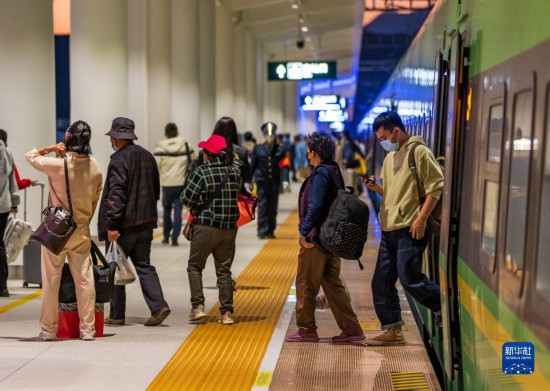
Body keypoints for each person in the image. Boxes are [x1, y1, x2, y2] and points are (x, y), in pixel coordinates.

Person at [363, 111, 443, 346]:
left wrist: (421, 219)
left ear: (396, 131)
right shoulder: (390, 158)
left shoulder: (419, 152)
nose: (382, 142)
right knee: (381, 282)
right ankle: (392, 330)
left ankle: (444, 306)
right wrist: (375, 188)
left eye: (384, 137)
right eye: (379, 139)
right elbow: (391, 193)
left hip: (410, 228)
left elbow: (435, 187)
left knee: (409, 277)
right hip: (390, 230)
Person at [25, 121, 102, 340]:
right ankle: (87, 330)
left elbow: (30, 155)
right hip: (81, 229)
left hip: (57, 230)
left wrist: (50, 148)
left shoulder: (58, 164)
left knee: (51, 280)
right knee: (85, 279)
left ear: (68, 137)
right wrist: (84, 219)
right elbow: (97, 194)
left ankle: (49, 330)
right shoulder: (94, 165)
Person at [285, 132, 364, 343]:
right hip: (330, 239)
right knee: (333, 285)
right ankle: (352, 330)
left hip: (316, 239)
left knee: (305, 284)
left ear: (316, 152)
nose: (308, 155)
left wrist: (304, 232)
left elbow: (316, 206)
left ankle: (306, 329)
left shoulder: (320, 174)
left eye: (310, 151)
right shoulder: (334, 169)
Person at [99, 117, 170, 327]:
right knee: (144, 265)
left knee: (116, 264)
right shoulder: (148, 156)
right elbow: (156, 189)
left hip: (123, 225)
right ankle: (158, 306)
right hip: (145, 222)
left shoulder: (119, 160)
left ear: (116, 137)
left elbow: (116, 194)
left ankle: (117, 314)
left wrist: (112, 225)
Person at [180, 135, 241, 325]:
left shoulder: (201, 172)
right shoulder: (235, 172)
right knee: (224, 272)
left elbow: (187, 200)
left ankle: (198, 307)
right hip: (229, 229)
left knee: (195, 266)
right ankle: (226, 314)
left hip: (205, 227)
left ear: (207, 154)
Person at [154, 122, 190, 247]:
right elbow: (193, 160)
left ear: (165, 134)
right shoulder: (185, 145)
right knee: (178, 210)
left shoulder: (160, 148)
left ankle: (165, 237)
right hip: (180, 183)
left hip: (166, 183)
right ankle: (175, 238)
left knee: (167, 209)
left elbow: (155, 166)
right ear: (177, 132)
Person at [250, 122, 285, 239]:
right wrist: (248, 180)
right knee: (263, 206)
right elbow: (253, 166)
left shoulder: (280, 149)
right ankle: (262, 229)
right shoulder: (258, 149)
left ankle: (270, 230)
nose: (269, 137)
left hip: (274, 182)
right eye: (267, 135)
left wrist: (285, 180)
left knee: (273, 207)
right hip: (262, 182)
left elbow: (284, 166)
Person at [0, 131, 20, 298]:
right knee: (0, 244)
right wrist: (14, 201)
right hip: (3, 205)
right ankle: (2, 286)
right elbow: (12, 180)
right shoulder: (7, 153)